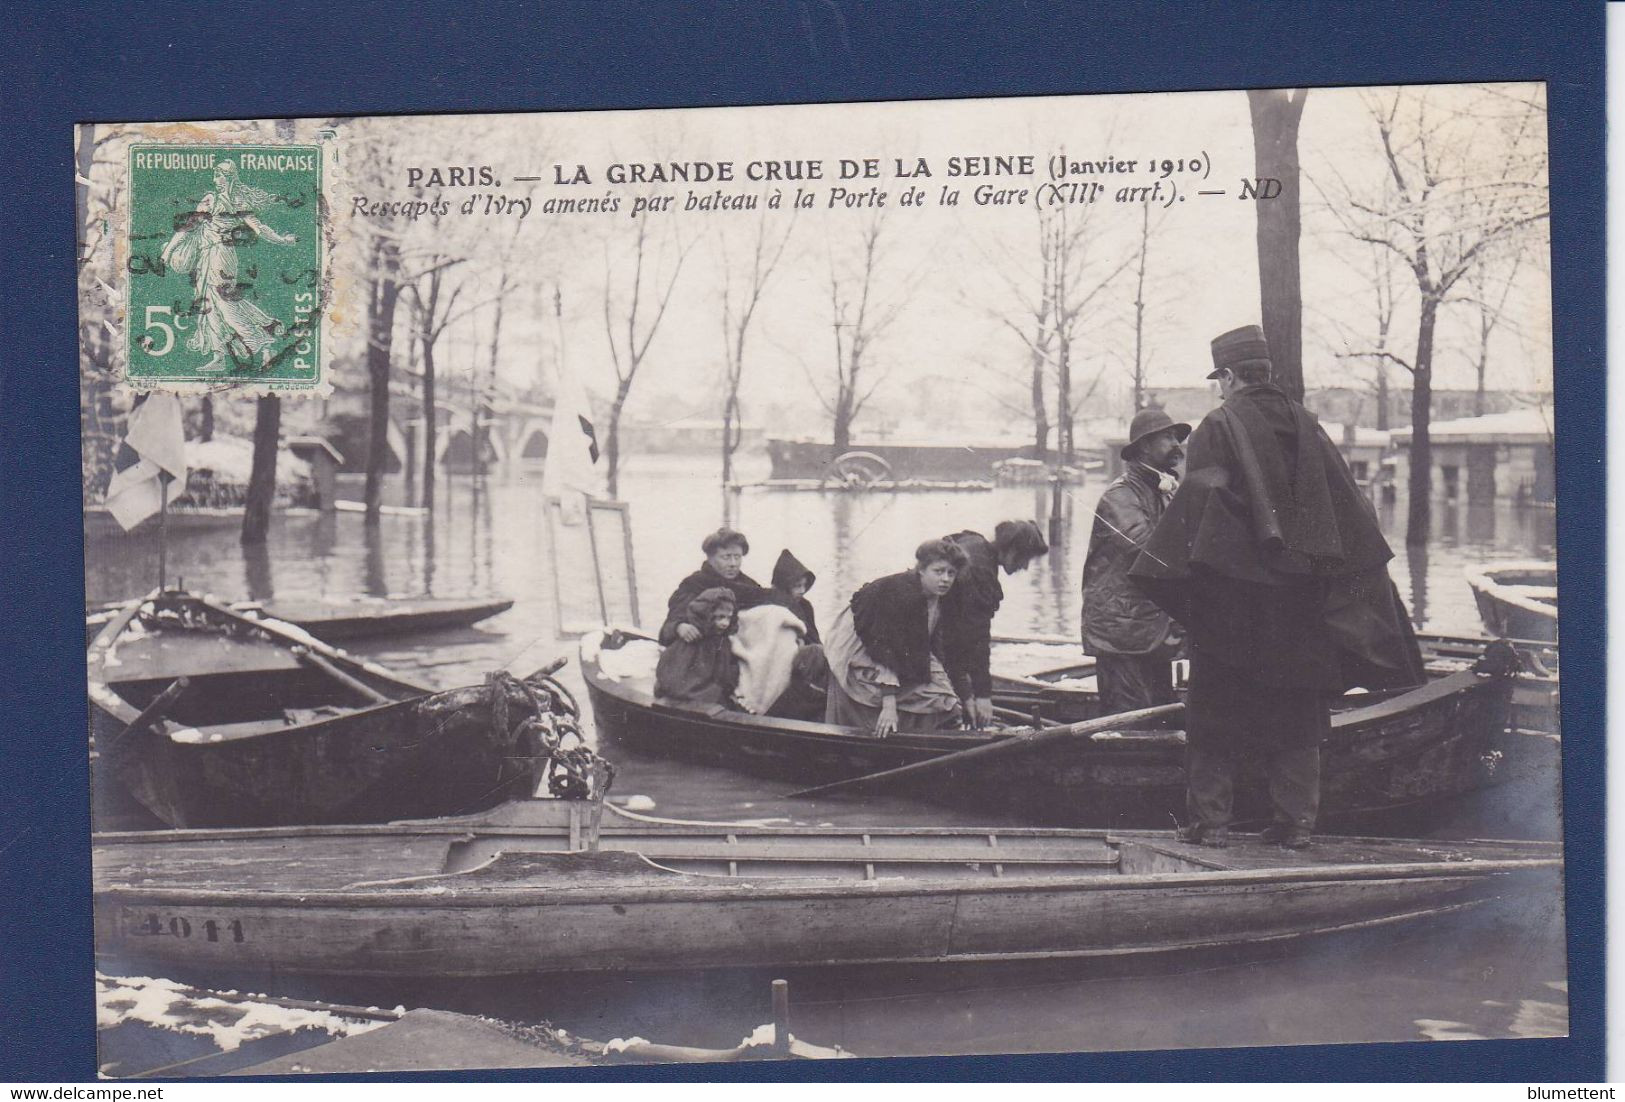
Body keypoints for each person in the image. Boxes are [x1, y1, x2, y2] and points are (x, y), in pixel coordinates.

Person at [1129, 325, 1424, 849]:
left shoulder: (1217, 427)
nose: (1219, 389)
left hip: (1233, 604)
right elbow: (1350, 516)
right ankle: (1296, 826)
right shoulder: (1309, 426)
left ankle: (1212, 825)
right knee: (1296, 715)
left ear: (1229, 376)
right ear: (1268, 373)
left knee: (1215, 714)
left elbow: (1199, 514)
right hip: (1303, 603)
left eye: (1219, 378)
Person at [1080, 409, 1191, 714]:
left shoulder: (1164, 491)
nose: (1176, 444)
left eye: (1176, 437)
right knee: (1129, 723)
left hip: (1151, 632)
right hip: (1122, 634)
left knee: (1161, 716)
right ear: (1144, 446)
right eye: (1167, 437)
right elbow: (1148, 553)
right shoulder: (1120, 497)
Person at [160, 160, 299, 373]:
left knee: (224, 303)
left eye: (219, 176)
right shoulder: (211, 199)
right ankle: (221, 355)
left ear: (229, 177)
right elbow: (188, 228)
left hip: (221, 256)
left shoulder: (234, 200)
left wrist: (282, 240)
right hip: (207, 256)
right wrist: (168, 251)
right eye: (215, 176)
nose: (215, 180)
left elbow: (259, 228)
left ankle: (256, 338)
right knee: (208, 305)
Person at [824, 539, 971, 736]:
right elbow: (885, 649)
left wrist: (961, 695)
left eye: (951, 573)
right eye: (938, 571)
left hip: (894, 644)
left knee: (940, 695)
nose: (945, 579)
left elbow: (932, 647)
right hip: (862, 640)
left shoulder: (937, 597)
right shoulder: (902, 595)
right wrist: (889, 704)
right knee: (869, 689)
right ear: (922, 570)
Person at [940, 520, 1049, 727]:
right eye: (1026, 558)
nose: (1025, 566)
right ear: (1013, 549)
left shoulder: (974, 543)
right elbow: (976, 637)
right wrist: (982, 695)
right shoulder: (980, 569)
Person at [659, 527, 772, 645]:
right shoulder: (694, 584)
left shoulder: (749, 585)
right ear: (710, 558)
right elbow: (669, 625)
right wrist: (680, 627)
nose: (733, 564)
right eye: (726, 557)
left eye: (737, 557)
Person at [654, 587, 742, 708]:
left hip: (712, 693)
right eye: (720, 617)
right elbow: (678, 677)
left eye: (728, 618)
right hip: (692, 696)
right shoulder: (694, 641)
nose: (725, 623)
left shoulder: (722, 641)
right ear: (706, 614)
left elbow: (724, 673)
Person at [769, 548, 820, 644]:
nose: (803, 590)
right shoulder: (772, 607)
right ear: (785, 586)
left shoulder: (805, 606)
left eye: (804, 585)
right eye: (797, 586)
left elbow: (815, 639)